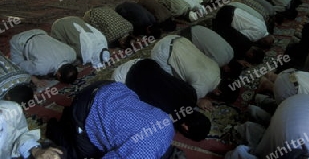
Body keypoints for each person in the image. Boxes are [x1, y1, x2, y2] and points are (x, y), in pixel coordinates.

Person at [46, 80, 175, 159]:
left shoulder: (169, 126)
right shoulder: (140, 155)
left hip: (111, 86)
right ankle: (54, 127)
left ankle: (70, 115)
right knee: (82, 155)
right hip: (86, 105)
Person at [113, 58, 211, 141]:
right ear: (186, 127)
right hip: (124, 75)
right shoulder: (166, 120)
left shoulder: (192, 96)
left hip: (145, 62)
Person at [150, 35, 239, 111]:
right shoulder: (201, 89)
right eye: (217, 101)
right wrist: (199, 101)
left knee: (187, 74)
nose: (215, 102)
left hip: (177, 38)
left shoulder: (217, 69)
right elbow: (184, 101)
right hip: (162, 50)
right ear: (218, 92)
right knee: (171, 85)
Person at [9, 29, 78, 84]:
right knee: (15, 67)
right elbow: (21, 66)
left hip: (39, 32)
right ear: (59, 75)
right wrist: (35, 80)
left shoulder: (72, 54)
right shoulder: (42, 69)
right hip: (19, 41)